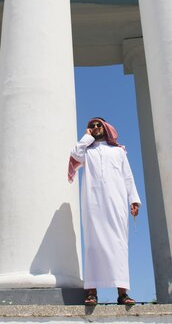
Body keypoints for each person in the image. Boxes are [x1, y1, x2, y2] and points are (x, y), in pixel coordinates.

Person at [68, 117, 141, 306]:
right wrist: (86, 137)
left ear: (106, 128)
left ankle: (122, 293)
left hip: (116, 203)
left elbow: (128, 176)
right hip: (93, 203)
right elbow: (75, 155)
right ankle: (92, 293)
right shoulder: (87, 151)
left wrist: (133, 199)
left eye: (98, 125)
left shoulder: (119, 151)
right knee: (93, 245)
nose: (95, 127)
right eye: (92, 126)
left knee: (118, 244)